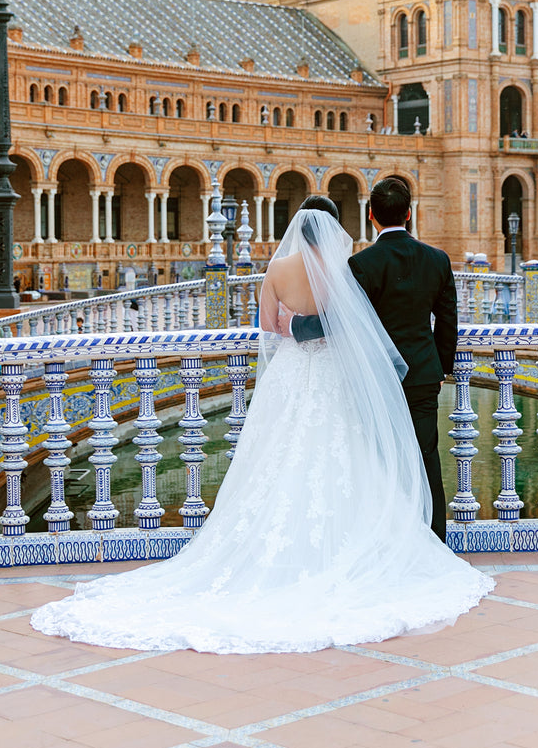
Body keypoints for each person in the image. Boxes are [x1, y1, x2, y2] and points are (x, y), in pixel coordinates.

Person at [30, 195, 491, 654]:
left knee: (277, 458)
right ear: (334, 231)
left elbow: (270, 327)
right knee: (356, 459)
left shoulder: (278, 270)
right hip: (347, 377)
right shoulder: (345, 271)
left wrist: (294, 328)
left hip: (289, 378)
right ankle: (416, 541)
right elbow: (349, 326)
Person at [282, 177, 457, 541]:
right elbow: (447, 321)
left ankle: (391, 541)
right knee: (427, 460)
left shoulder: (361, 264)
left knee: (379, 463)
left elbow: (341, 322)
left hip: (374, 377)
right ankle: (436, 542)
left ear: (371, 217)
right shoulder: (437, 260)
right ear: (409, 214)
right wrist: (442, 367)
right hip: (423, 375)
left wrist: (296, 327)